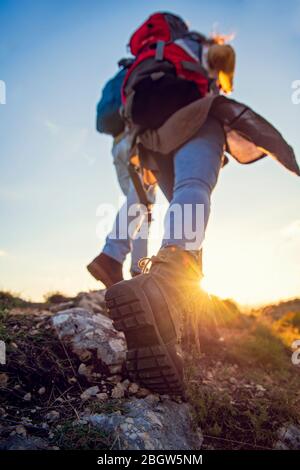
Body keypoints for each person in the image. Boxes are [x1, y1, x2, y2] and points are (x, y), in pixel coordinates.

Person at [105, 12, 300, 395]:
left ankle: (169, 329)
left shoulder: (147, 57)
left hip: (149, 140)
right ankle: (169, 281)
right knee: (193, 191)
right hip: (194, 117)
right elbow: (223, 83)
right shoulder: (207, 46)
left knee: (181, 207)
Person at [87, 68, 156, 288]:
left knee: (140, 205)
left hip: (118, 145)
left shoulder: (117, 81)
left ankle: (137, 268)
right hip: (135, 139)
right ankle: (112, 255)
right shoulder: (146, 69)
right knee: (143, 199)